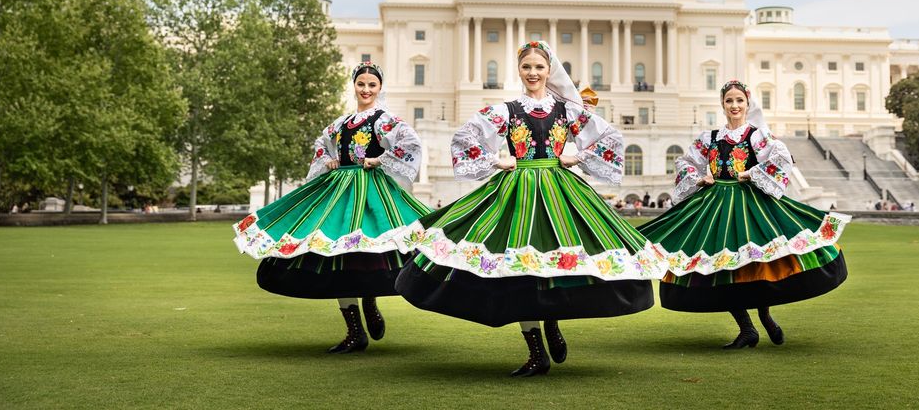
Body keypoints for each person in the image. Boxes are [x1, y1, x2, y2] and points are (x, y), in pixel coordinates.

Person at [395, 40, 662, 377]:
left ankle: (551, 323)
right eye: (526, 67)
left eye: (539, 67)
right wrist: (497, 160)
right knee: (519, 268)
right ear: (519, 71)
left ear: (549, 70)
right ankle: (536, 350)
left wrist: (575, 156)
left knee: (555, 258)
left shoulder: (567, 110)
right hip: (517, 191)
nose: (533, 73)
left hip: (560, 190)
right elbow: (465, 138)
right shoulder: (507, 110)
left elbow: (610, 138)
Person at [233, 61, 428, 354]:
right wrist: (329, 159)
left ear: (379, 88)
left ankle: (370, 301)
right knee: (335, 252)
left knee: (369, 248)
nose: (366, 89)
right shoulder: (340, 123)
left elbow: (410, 144)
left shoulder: (384, 120)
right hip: (339, 192)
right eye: (361, 84)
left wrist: (379, 160)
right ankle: (354, 331)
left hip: (370, 191)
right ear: (354, 86)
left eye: (371, 85)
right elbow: (322, 145)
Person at [640, 80, 849, 349]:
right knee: (722, 267)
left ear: (747, 104)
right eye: (729, 101)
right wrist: (699, 178)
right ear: (722, 105)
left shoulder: (756, 135)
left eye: (739, 100)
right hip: (715, 207)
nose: (734, 106)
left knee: (758, 261)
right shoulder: (710, 138)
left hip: (751, 204)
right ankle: (746, 327)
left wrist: (752, 173)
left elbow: (782, 159)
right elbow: (685, 162)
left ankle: (765, 316)